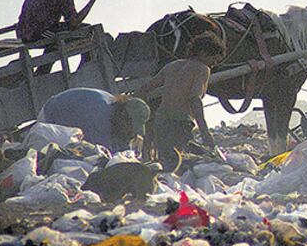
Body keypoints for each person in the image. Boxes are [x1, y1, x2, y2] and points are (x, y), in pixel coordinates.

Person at [135, 33, 225, 172]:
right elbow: (194, 98)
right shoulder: (202, 69)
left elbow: (145, 88)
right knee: (180, 164)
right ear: (203, 52)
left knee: (165, 160)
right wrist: (205, 132)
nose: (214, 64)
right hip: (180, 123)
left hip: (160, 121)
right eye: (213, 59)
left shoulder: (171, 66)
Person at [38, 88, 150, 153]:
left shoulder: (112, 107)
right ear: (124, 116)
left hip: (70, 113)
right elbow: (104, 153)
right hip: (49, 120)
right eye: (131, 127)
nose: (131, 132)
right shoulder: (99, 117)